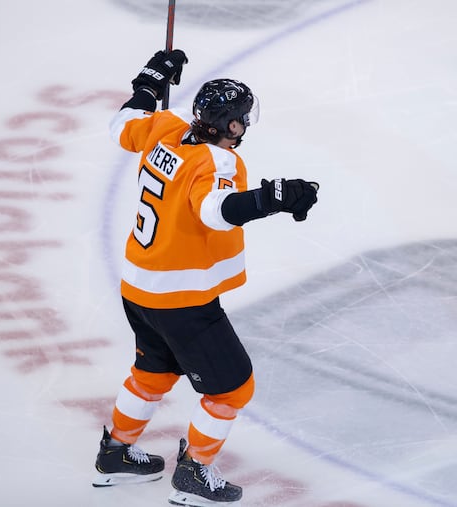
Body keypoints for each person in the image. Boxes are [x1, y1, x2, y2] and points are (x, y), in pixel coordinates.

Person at [91, 49, 319, 505]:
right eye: (242, 119)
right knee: (234, 387)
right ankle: (194, 474)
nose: (246, 126)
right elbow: (216, 212)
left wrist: (151, 79)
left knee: (152, 372)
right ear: (232, 126)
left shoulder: (168, 125)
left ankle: (115, 454)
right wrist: (276, 197)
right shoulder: (218, 163)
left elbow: (123, 125)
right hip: (181, 299)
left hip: (138, 285)